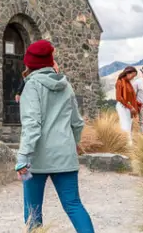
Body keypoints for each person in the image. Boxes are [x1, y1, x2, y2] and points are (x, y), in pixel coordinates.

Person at [16, 40, 95, 233]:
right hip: (65, 154)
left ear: (29, 63)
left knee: (33, 211)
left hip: (37, 157)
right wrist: (73, 143)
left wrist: (23, 157)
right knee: (74, 205)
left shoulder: (31, 86)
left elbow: (32, 125)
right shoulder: (65, 85)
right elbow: (77, 122)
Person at [114, 66, 139, 138]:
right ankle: (126, 143)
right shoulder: (119, 82)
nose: (133, 78)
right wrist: (130, 107)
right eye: (132, 76)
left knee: (129, 126)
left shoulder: (128, 83)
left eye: (134, 77)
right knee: (125, 126)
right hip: (122, 106)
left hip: (128, 107)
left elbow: (131, 97)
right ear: (128, 73)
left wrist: (138, 104)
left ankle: (129, 143)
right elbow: (119, 97)